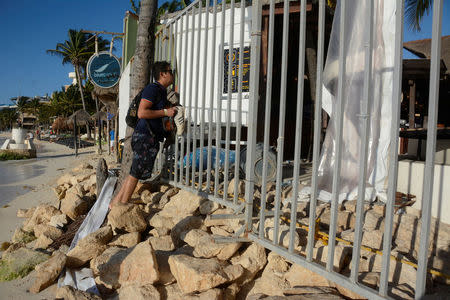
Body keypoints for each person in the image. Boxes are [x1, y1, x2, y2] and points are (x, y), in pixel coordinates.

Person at [109, 61, 177, 208]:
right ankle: (123, 206)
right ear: (162, 74)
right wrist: (166, 112)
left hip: (148, 136)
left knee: (135, 171)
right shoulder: (152, 89)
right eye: (170, 71)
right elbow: (142, 112)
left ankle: (114, 205)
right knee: (136, 171)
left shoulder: (161, 91)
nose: (173, 74)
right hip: (145, 136)